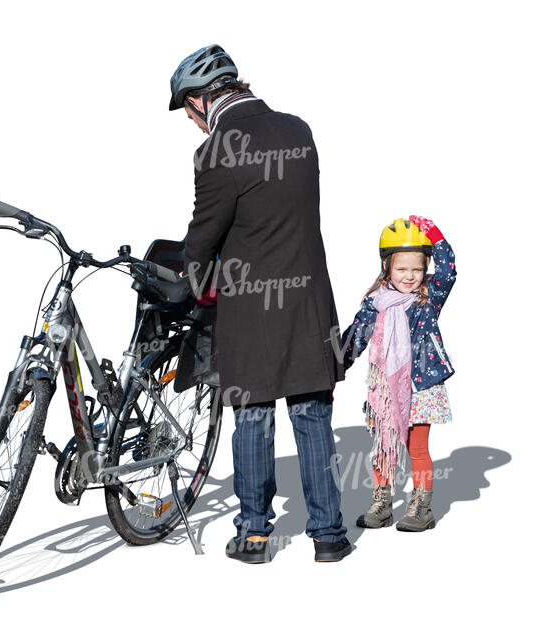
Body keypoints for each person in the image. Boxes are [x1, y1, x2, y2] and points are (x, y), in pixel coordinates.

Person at [169, 44, 351, 563]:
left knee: (252, 418)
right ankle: (329, 536)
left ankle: (253, 534)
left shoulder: (215, 151)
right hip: (310, 301)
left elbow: (204, 235)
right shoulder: (299, 130)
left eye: (186, 106)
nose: (188, 119)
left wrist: (194, 276)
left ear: (203, 99)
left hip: (252, 308)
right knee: (313, 416)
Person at [341, 215, 456, 531]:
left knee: (417, 448)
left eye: (417, 269)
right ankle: (382, 502)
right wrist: (336, 365)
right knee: (382, 445)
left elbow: (448, 272)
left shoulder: (428, 297)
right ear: (386, 267)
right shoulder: (375, 302)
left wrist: (434, 235)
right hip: (386, 389)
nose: (410, 276)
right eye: (402, 269)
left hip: (420, 386)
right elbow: (357, 336)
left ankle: (422, 507)